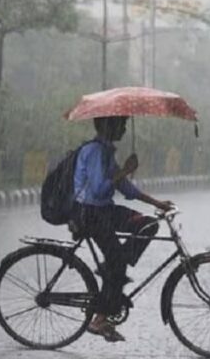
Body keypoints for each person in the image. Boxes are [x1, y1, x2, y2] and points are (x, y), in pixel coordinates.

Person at [72, 115, 174, 342]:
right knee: (117, 262)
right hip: (90, 214)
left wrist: (157, 204)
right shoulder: (94, 152)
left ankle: (113, 273)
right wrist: (125, 170)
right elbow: (98, 190)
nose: (125, 129)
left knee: (148, 225)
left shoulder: (106, 152)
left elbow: (126, 189)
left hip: (104, 211)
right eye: (121, 124)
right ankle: (99, 318)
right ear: (108, 126)